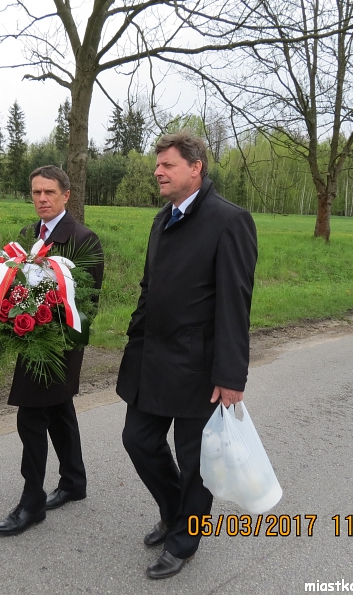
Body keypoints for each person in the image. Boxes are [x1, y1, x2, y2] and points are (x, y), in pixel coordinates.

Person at [116, 132, 257, 579]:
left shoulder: (229, 220)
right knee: (138, 440)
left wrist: (230, 375)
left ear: (195, 168)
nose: (158, 171)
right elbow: (149, 288)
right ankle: (175, 510)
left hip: (200, 367)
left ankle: (184, 541)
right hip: (153, 359)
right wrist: (135, 340)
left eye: (168, 165)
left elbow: (235, 304)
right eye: (157, 164)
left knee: (196, 463)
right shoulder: (162, 218)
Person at [0, 165, 104, 536]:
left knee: (31, 417)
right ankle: (74, 482)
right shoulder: (27, 235)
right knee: (58, 409)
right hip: (29, 339)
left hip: (60, 343)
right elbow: (3, 289)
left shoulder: (83, 239)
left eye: (49, 192)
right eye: (36, 192)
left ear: (66, 195)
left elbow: (88, 302)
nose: (42, 199)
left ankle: (32, 502)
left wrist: (44, 324)